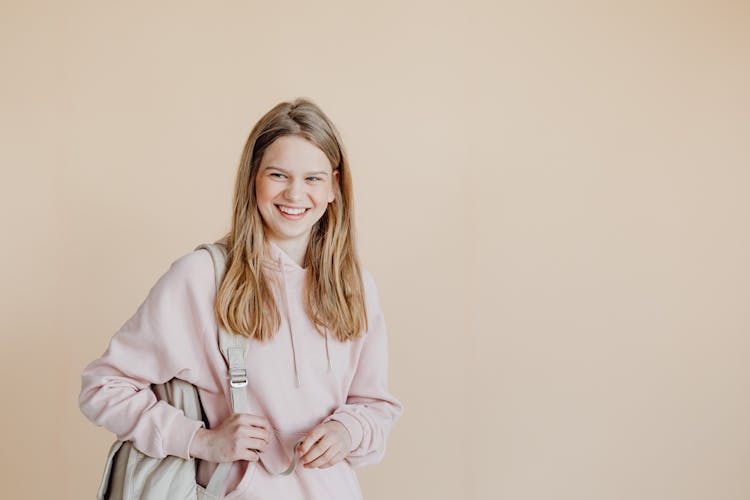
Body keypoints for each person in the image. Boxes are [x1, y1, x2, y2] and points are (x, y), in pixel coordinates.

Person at [79, 98, 404, 499]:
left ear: (335, 186)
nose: (295, 193)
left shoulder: (355, 286)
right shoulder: (203, 277)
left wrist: (348, 430)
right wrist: (200, 441)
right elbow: (103, 386)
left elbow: (376, 406)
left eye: (313, 179)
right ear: (253, 179)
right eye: (278, 175)